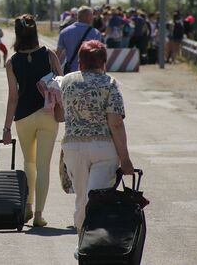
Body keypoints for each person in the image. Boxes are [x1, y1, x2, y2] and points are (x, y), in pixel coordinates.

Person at [58, 40, 134, 257]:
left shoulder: (67, 81)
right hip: (104, 149)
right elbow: (116, 123)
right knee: (98, 199)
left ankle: (84, 244)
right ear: (103, 62)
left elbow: (57, 114)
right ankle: (98, 245)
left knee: (82, 197)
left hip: (74, 148)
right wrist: (125, 158)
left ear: (80, 61)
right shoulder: (109, 83)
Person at [2, 14, 62, 227]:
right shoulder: (48, 55)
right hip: (47, 116)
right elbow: (60, 83)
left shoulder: (12, 62)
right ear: (35, 31)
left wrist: (6, 128)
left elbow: (13, 97)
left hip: (23, 117)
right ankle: (38, 215)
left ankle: (26, 206)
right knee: (44, 166)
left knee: (29, 163)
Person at [56, 6, 102, 74]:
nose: (93, 18)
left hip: (70, 72)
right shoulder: (95, 33)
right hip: (88, 73)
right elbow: (98, 56)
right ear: (87, 17)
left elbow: (58, 54)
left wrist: (57, 72)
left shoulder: (64, 32)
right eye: (92, 16)